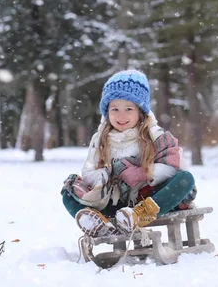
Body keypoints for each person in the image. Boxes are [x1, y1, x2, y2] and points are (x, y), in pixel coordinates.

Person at [61, 70, 197, 237]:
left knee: (185, 179)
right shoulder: (100, 139)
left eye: (128, 109)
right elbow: (88, 172)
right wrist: (107, 176)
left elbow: (171, 167)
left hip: (149, 196)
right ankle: (97, 223)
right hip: (114, 200)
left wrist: (141, 173)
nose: (121, 115)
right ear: (107, 111)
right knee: (68, 191)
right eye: (115, 109)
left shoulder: (155, 134)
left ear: (140, 111)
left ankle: (138, 216)